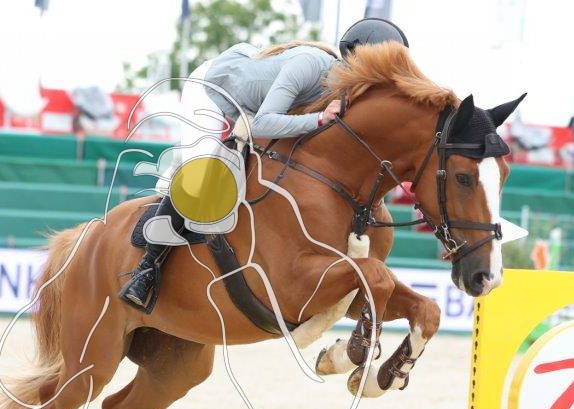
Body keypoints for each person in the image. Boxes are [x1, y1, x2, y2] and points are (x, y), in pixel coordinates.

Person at [119, 17, 410, 312]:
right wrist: (320, 119)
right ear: (357, 59)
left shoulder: (347, 93)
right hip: (212, 91)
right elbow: (262, 124)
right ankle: (146, 270)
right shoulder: (310, 65)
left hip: (250, 102)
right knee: (200, 176)